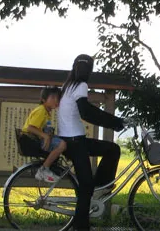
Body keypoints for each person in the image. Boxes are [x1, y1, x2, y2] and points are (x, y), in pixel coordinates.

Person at [57, 54, 125, 231]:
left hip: (70, 140)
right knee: (86, 185)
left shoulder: (68, 85)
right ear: (90, 71)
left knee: (112, 149)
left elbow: (86, 111)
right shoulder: (80, 86)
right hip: (75, 142)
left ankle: (100, 187)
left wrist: (114, 122)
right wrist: (115, 122)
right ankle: (81, 226)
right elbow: (87, 112)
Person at [18, 86, 68, 183]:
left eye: (57, 98)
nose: (56, 100)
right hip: (33, 140)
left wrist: (48, 134)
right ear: (43, 100)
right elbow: (30, 127)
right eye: (52, 97)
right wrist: (45, 136)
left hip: (36, 139)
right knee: (62, 144)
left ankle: (50, 167)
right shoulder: (41, 110)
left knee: (61, 141)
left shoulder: (46, 112)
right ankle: (44, 169)